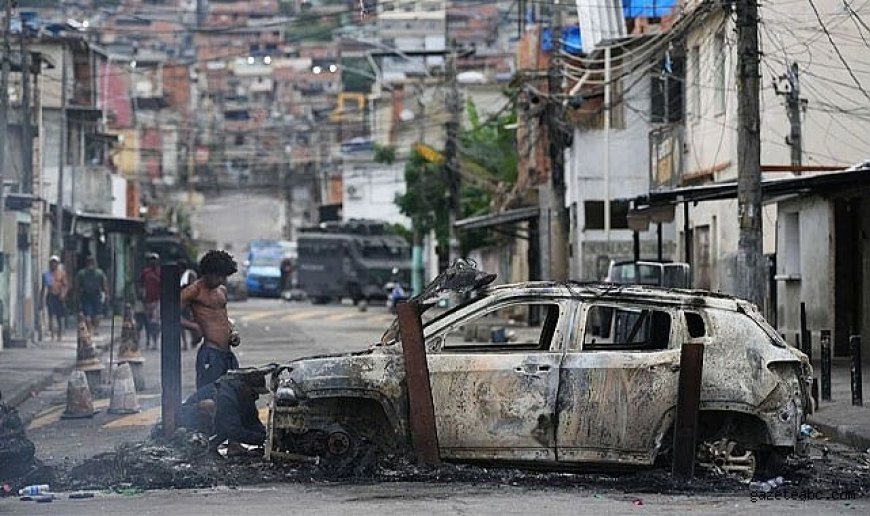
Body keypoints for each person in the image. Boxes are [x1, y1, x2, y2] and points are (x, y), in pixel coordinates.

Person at [181, 250, 241, 389]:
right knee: (208, 397)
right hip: (210, 353)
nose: (221, 280)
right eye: (218, 276)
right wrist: (193, 326)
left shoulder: (221, 291)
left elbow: (223, 318)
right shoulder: (194, 290)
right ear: (208, 272)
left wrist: (232, 333)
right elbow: (169, 313)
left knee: (232, 395)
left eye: (224, 277)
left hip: (227, 354)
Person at [180, 370, 267, 450]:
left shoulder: (245, 396)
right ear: (244, 386)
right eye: (254, 392)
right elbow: (234, 431)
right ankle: (199, 445)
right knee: (213, 408)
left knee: (230, 421)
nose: (257, 397)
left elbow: (252, 422)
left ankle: (211, 446)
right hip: (189, 421)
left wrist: (268, 437)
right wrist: (261, 439)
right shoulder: (226, 396)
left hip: (219, 422)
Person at [75, 256, 108, 335]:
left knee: (88, 314)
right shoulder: (100, 272)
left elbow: (77, 286)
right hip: (95, 295)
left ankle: (90, 329)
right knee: (97, 314)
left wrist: (77, 297)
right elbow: (104, 285)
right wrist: (106, 295)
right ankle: (95, 329)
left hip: (87, 295)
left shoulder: (81, 273)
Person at [41, 255, 69, 341]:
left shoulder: (61, 273)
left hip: (59, 296)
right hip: (50, 296)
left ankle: (59, 335)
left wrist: (63, 294)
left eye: (55, 263)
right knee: (51, 315)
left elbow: (66, 285)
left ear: (57, 264)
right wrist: (41, 299)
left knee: (59, 317)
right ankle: (52, 334)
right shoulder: (46, 274)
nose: (53, 264)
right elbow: (43, 288)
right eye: (52, 263)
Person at [138, 253, 162, 349]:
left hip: (157, 300)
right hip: (147, 300)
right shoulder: (145, 272)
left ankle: (155, 340)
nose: (153, 261)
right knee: (147, 322)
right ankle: (149, 340)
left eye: (154, 259)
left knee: (155, 322)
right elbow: (140, 283)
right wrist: (141, 293)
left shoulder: (160, 272)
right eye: (151, 259)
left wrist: (155, 279)